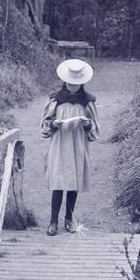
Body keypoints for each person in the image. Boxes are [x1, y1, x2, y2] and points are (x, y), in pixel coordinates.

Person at [40, 58, 100, 235]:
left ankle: (68, 220)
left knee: (73, 183)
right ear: (64, 81)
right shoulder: (56, 100)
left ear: (82, 82)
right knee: (58, 182)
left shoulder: (87, 102)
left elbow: (94, 128)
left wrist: (88, 125)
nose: (73, 87)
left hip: (77, 146)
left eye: (77, 84)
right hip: (60, 144)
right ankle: (53, 222)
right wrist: (52, 125)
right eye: (70, 83)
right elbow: (45, 124)